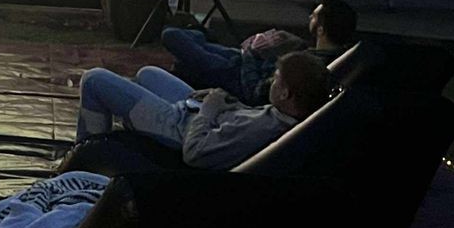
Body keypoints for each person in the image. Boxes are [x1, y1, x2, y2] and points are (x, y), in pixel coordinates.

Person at [75, 51, 331, 170]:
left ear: (286, 93)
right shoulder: (284, 117)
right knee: (147, 73)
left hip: (180, 130)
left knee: (94, 79)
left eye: (276, 79)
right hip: (202, 115)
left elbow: (195, 153)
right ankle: (135, 118)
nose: (271, 83)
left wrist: (209, 109)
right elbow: (240, 122)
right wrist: (223, 101)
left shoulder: (265, 129)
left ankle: (84, 161)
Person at [161, 0, 358, 104]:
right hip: (244, 62)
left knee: (171, 36)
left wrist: (250, 55)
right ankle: (201, 36)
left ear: (321, 29)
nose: (309, 19)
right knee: (185, 59)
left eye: (314, 17)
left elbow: (253, 92)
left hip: (235, 76)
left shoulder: (305, 66)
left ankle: (201, 35)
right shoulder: (334, 54)